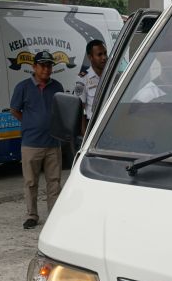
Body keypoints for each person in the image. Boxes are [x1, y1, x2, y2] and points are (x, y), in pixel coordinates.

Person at [11, 50, 65, 229]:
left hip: (53, 143)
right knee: (31, 182)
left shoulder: (57, 87)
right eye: (43, 66)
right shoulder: (23, 87)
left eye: (49, 66)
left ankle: (55, 214)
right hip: (31, 143)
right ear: (34, 67)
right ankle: (32, 215)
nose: (47, 69)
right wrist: (30, 123)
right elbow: (15, 110)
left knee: (54, 182)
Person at [77, 38, 108, 135]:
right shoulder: (82, 79)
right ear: (90, 57)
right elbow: (79, 110)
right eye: (99, 54)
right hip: (94, 127)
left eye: (105, 53)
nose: (104, 57)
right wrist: (84, 135)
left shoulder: (112, 75)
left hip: (112, 124)